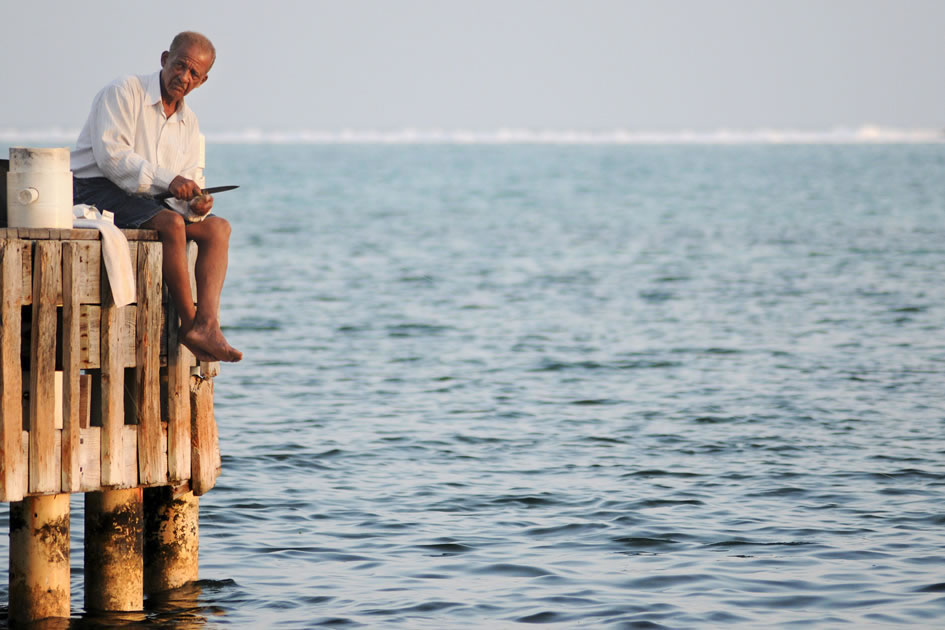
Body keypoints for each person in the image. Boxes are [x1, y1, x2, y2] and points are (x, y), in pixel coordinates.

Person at [72, 31, 241, 362]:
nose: (184, 77)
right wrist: (172, 182)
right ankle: (190, 324)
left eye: (194, 74)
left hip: (143, 198)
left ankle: (208, 325)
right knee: (171, 224)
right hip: (95, 187)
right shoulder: (124, 91)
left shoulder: (189, 123)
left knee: (217, 228)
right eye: (180, 66)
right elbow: (112, 158)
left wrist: (197, 202)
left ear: (202, 81)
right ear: (165, 59)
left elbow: (189, 184)